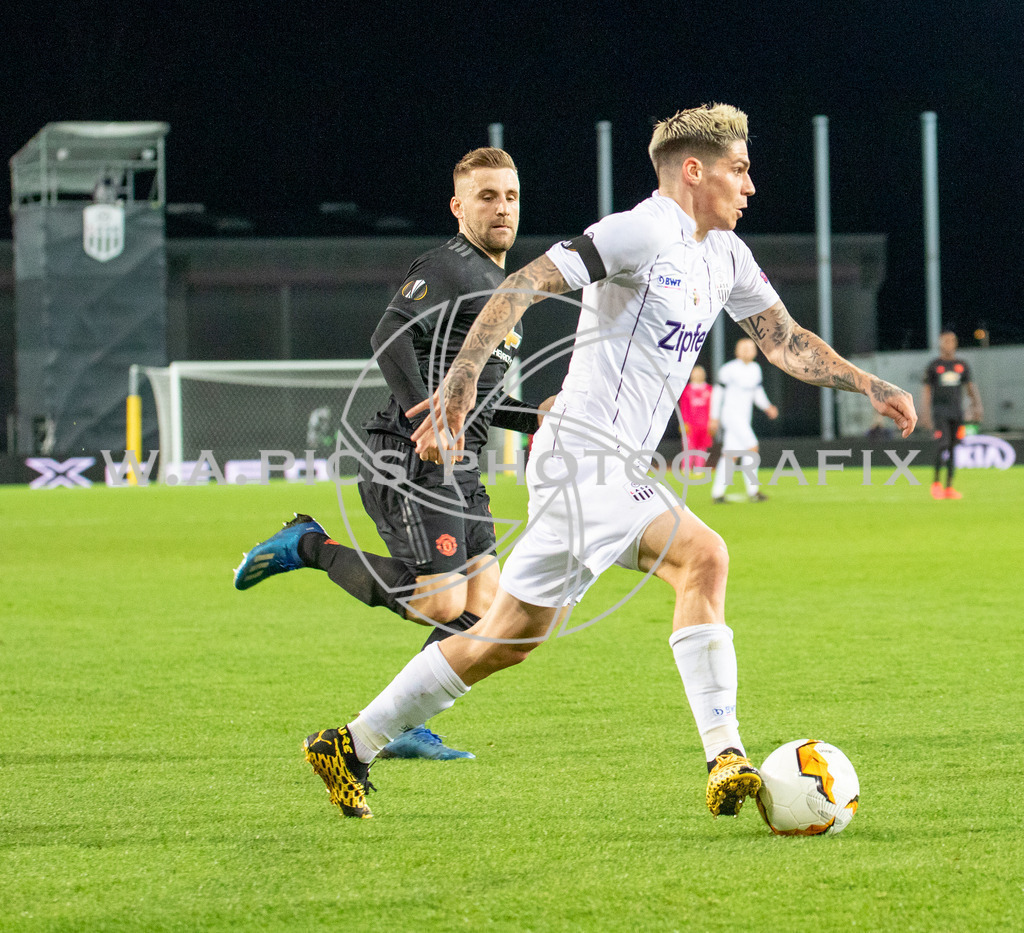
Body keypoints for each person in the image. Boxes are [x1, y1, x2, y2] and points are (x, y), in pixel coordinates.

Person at [301, 103, 917, 820]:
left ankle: (350, 742)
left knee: (503, 640)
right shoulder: (638, 231)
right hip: (583, 459)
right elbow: (524, 282)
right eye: (739, 170)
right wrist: (464, 376)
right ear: (694, 170)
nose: (750, 187)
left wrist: (867, 382)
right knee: (704, 556)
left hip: (609, 468)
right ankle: (726, 754)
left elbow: (783, 338)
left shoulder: (724, 254)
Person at [235, 147, 549, 759]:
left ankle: (400, 723)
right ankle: (308, 545)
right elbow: (388, 334)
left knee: (486, 617)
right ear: (458, 207)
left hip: (460, 466)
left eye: (510, 196)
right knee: (440, 602)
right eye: (486, 197)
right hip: (409, 459)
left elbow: (478, 398)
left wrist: (531, 416)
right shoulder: (451, 265)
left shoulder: (505, 287)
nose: (501, 208)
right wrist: (423, 417)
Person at [708, 338, 779, 503]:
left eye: (751, 348)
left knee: (730, 455)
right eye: (744, 348)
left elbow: (757, 393)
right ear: (737, 351)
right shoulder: (728, 370)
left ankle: (717, 493)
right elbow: (718, 394)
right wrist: (714, 417)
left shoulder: (755, 369)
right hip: (731, 416)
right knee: (752, 447)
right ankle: (753, 491)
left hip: (744, 418)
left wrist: (767, 407)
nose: (748, 351)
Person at [922, 329, 983, 499]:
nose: (949, 344)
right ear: (940, 344)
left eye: (951, 341)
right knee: (942, 445)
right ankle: (935, 484)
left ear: (955, 343)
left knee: (953, 449)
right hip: (940, 412)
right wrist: (925, 414)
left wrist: (977, 406)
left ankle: (949, 487)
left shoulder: (962, 365)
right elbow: (926, 391)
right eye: (945, 341)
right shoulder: (934, 366)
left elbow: (970, 387)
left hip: (957, 413)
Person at [679, 365, 713, 470]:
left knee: (702, 447)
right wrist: (684, 422)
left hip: (704, 425)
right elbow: (683, 407)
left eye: (700, 372)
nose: (698, 375)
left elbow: (712, 407)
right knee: (688, 447)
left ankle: (699, 469)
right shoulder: (687, 390)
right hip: (690, 424)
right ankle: (686, 468)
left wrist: (712, 422)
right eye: (695, 372)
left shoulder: (709, 390)